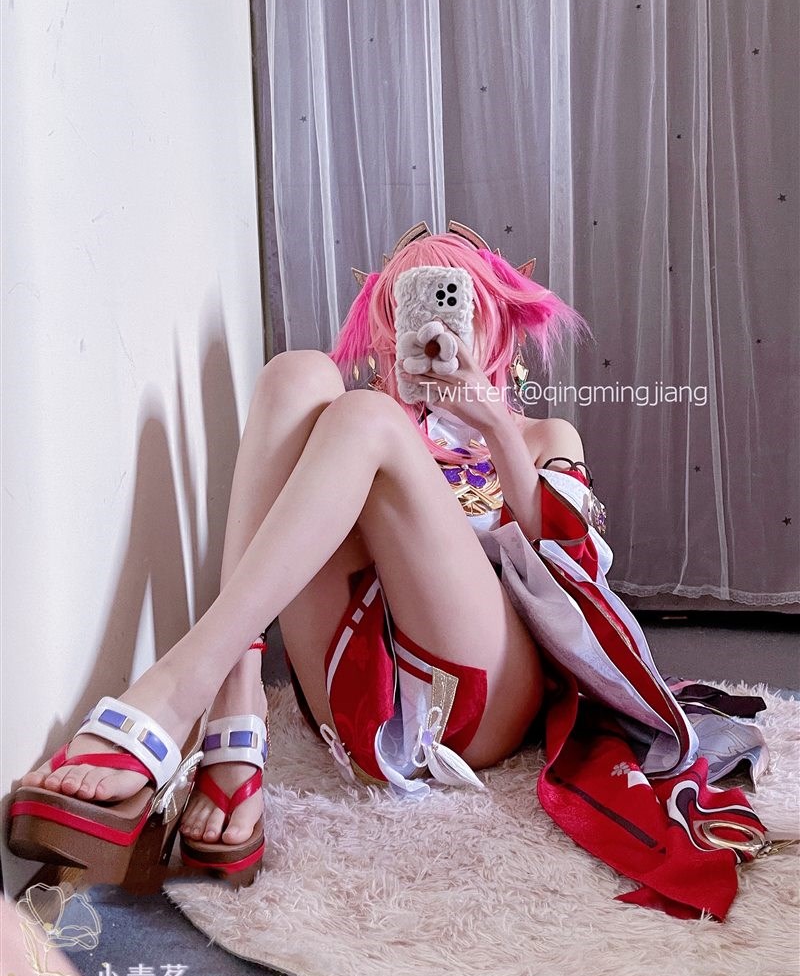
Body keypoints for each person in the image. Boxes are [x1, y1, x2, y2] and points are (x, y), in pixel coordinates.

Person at [9, 221, 770, 917]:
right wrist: (385, 424)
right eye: (411, 306)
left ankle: (183, 690)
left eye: (457, 305)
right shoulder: (361, 423)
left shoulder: (543, 433)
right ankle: (237, 703)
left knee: (363, 419)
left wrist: (489, 419)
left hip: (483, 695)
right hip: (352, 679)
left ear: (496, 321)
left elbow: (577, 564)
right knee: (298, 374)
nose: (438, 327)